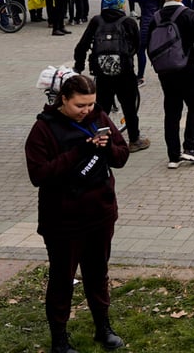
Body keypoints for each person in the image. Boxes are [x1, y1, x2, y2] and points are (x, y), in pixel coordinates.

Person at [24, 73, 129, 353]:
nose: (86, 111)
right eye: (79, 105)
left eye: (91, 104)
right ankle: (59, 339)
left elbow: (121, 155)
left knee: (98, 274)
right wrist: (81, 151)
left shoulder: (99, 118)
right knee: (61, 280)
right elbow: (39, 174)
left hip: (100, 213)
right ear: (63, 100)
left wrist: (107, 150)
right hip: (63, 220)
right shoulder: (43, 129)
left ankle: (103, 328)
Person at [74, 0, 149, 153]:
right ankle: (134, 140)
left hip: (102, 73)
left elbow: (82, 45)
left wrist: (78, 66)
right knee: (129, 107)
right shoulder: (128, 21)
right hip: (125, 73)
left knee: (101, 109)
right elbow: (137, 44)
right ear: (121, 4)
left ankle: (98, 139)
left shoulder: (96, 21)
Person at [151, 0, 194, 168]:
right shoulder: (190, 15)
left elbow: (149, 45)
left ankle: (173, 156)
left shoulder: (156, 17)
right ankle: (190, 148)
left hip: (166, 71)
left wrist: (158, 66)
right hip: (190, 69)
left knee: (172, 111)